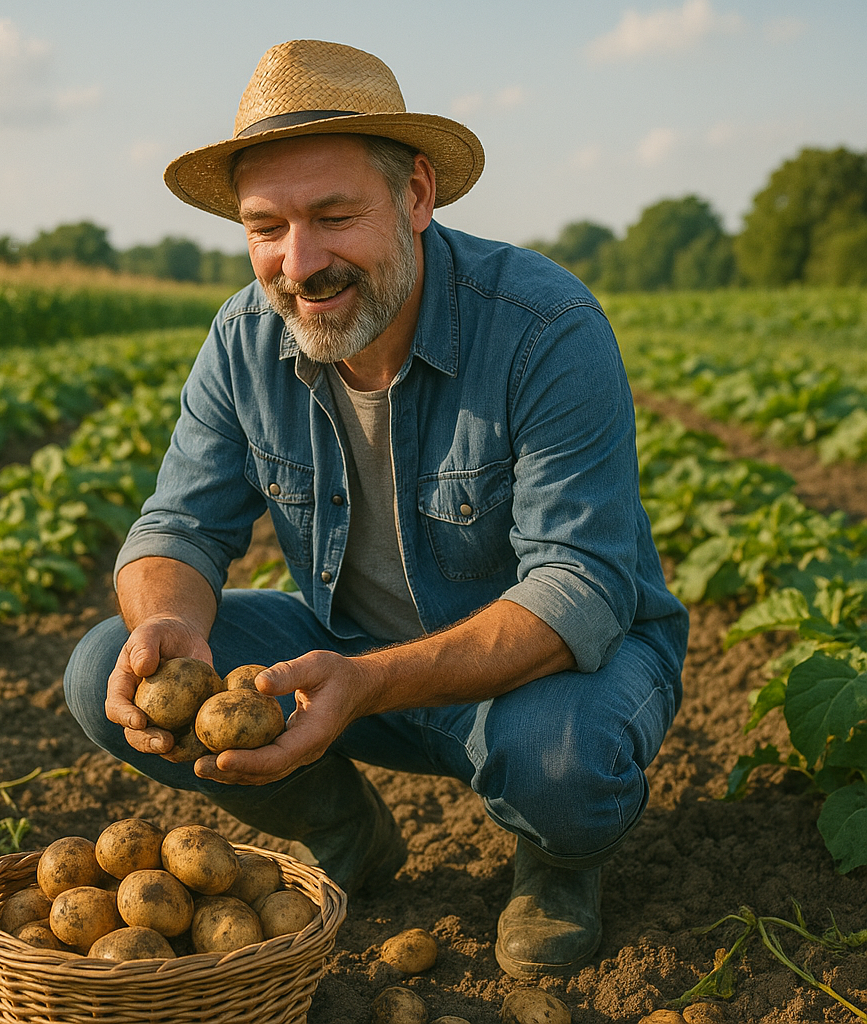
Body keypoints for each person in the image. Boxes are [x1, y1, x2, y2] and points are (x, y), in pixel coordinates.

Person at [63, 38, 688, 979]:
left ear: (417, 196)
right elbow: (180, 527)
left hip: (540, 676)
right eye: (266, 226)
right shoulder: (243, 339)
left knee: (559, 759)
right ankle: (344, 829)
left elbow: (578, 588)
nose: (299, 262)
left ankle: (558, 865)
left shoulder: (545, 330)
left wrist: (366, 684)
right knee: (106, 668)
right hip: (345, 655)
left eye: (333, 216)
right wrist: (169, 622)